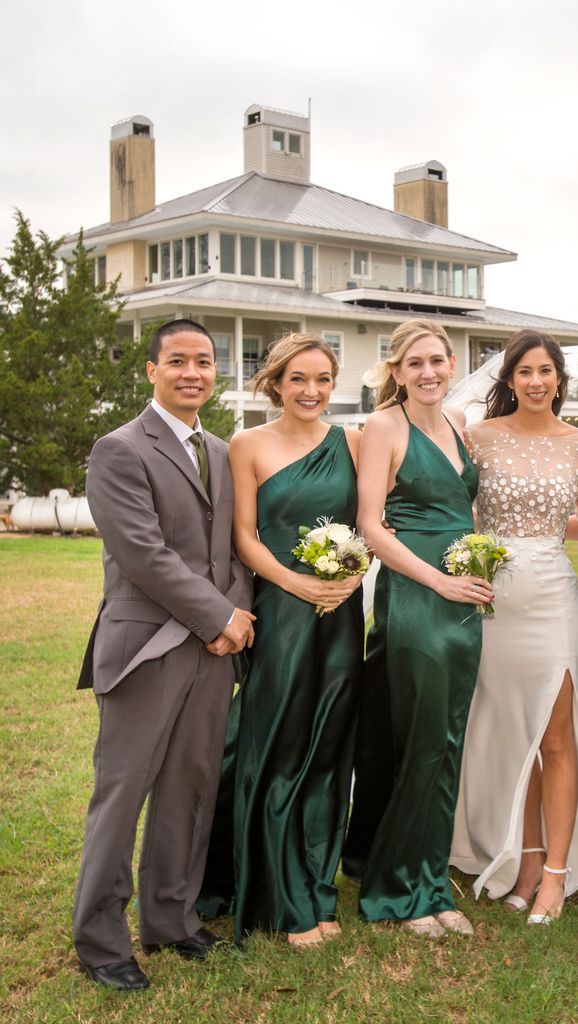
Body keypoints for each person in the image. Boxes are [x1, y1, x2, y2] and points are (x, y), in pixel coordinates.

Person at [73, 319, 254, 991]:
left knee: (190, 788)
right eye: (177, 360)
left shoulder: (221, 448)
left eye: (204, 361)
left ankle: (172, 921)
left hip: (213, 651)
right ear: (151, 370)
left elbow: (233, 545)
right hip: (146, 647)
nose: (192, 373)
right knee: (122, 795)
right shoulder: (119, 450)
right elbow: (143, 554)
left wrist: (232, 617)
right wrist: (219, 614)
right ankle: (99, 941)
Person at [198, 334, 364, 949]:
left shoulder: (354, 441)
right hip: (283, 610)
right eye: (299, 379)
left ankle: (318, 887)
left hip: (343, 610)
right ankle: (279, 892)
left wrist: (354, 572)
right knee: (280, 745)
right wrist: (297, 584)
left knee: (328, 749)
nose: (312, 391)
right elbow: (244, 536)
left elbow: (371, 520)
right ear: (276, 382)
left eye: (323, 379)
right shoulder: (249, 444)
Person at [449, 329, 578, 925]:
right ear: (508, 380)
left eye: (546, 371)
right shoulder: (478, 437)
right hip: (492, 597)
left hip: (552, 596)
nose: (536, 382)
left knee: (556, 736)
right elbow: (455, 503)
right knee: (516, 733)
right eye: (525, 372)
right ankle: (528, 862)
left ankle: (557, 876)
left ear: (559, 379)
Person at [349, 319, 490, 939]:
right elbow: (372, 526)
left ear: (452, 364)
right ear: (397, 371)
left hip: (467, 597)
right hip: (417, 597)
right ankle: (400, 888)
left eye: (437, 360)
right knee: (422, 740)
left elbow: (469, 508)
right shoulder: (384, 426)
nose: (428, 372)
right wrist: (438, 581)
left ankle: (433, 881)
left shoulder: (459, 425)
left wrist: (479, 566)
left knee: (449, 737)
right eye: (415, 363)